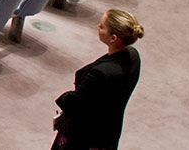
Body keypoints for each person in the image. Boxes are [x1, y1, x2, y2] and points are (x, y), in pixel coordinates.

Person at [52, 9, 144, 150]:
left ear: (114, 38)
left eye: (102, 26)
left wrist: (63, 98)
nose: (97, 27)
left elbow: (76, 102)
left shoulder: (102, 73)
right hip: (107, 134)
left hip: (84, 137)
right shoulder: (133, 56)